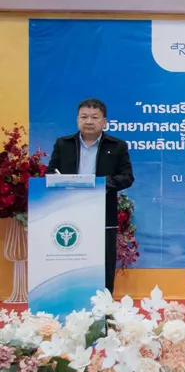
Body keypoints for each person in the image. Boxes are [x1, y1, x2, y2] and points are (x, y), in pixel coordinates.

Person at [46, 98, 134, 295]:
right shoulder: (63, 144)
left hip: (102, 212)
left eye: (95, 117)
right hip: (67, 211)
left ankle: (105, 304)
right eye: (84, 117)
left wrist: (100, 185)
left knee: (105, 260)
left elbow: (127, 177)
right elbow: (50, 174)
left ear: (104, 122)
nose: (89, 121)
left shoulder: (117, 146)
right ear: (77, 119)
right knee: (68, 256)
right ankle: (67, 300)